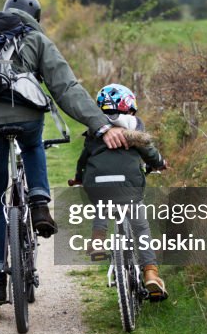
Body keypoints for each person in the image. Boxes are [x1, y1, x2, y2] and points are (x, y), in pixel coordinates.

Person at [0, 0, 130, 304]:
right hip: (25, 116)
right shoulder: (36, 40)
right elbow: (65, 88)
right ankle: (39, 202)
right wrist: (101, 124)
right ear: (35, 17)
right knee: (31, 142)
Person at [71, 83, 170, 301]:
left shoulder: (94, 129)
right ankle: (150, 272)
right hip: (128, 184)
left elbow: (83, 159)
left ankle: (97, 239)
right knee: (140, 227)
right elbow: (148, 151)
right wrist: (160, 163)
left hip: (97, 181)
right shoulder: (133, 125)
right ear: (130, 107)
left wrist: (78, 177)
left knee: (101, 203)